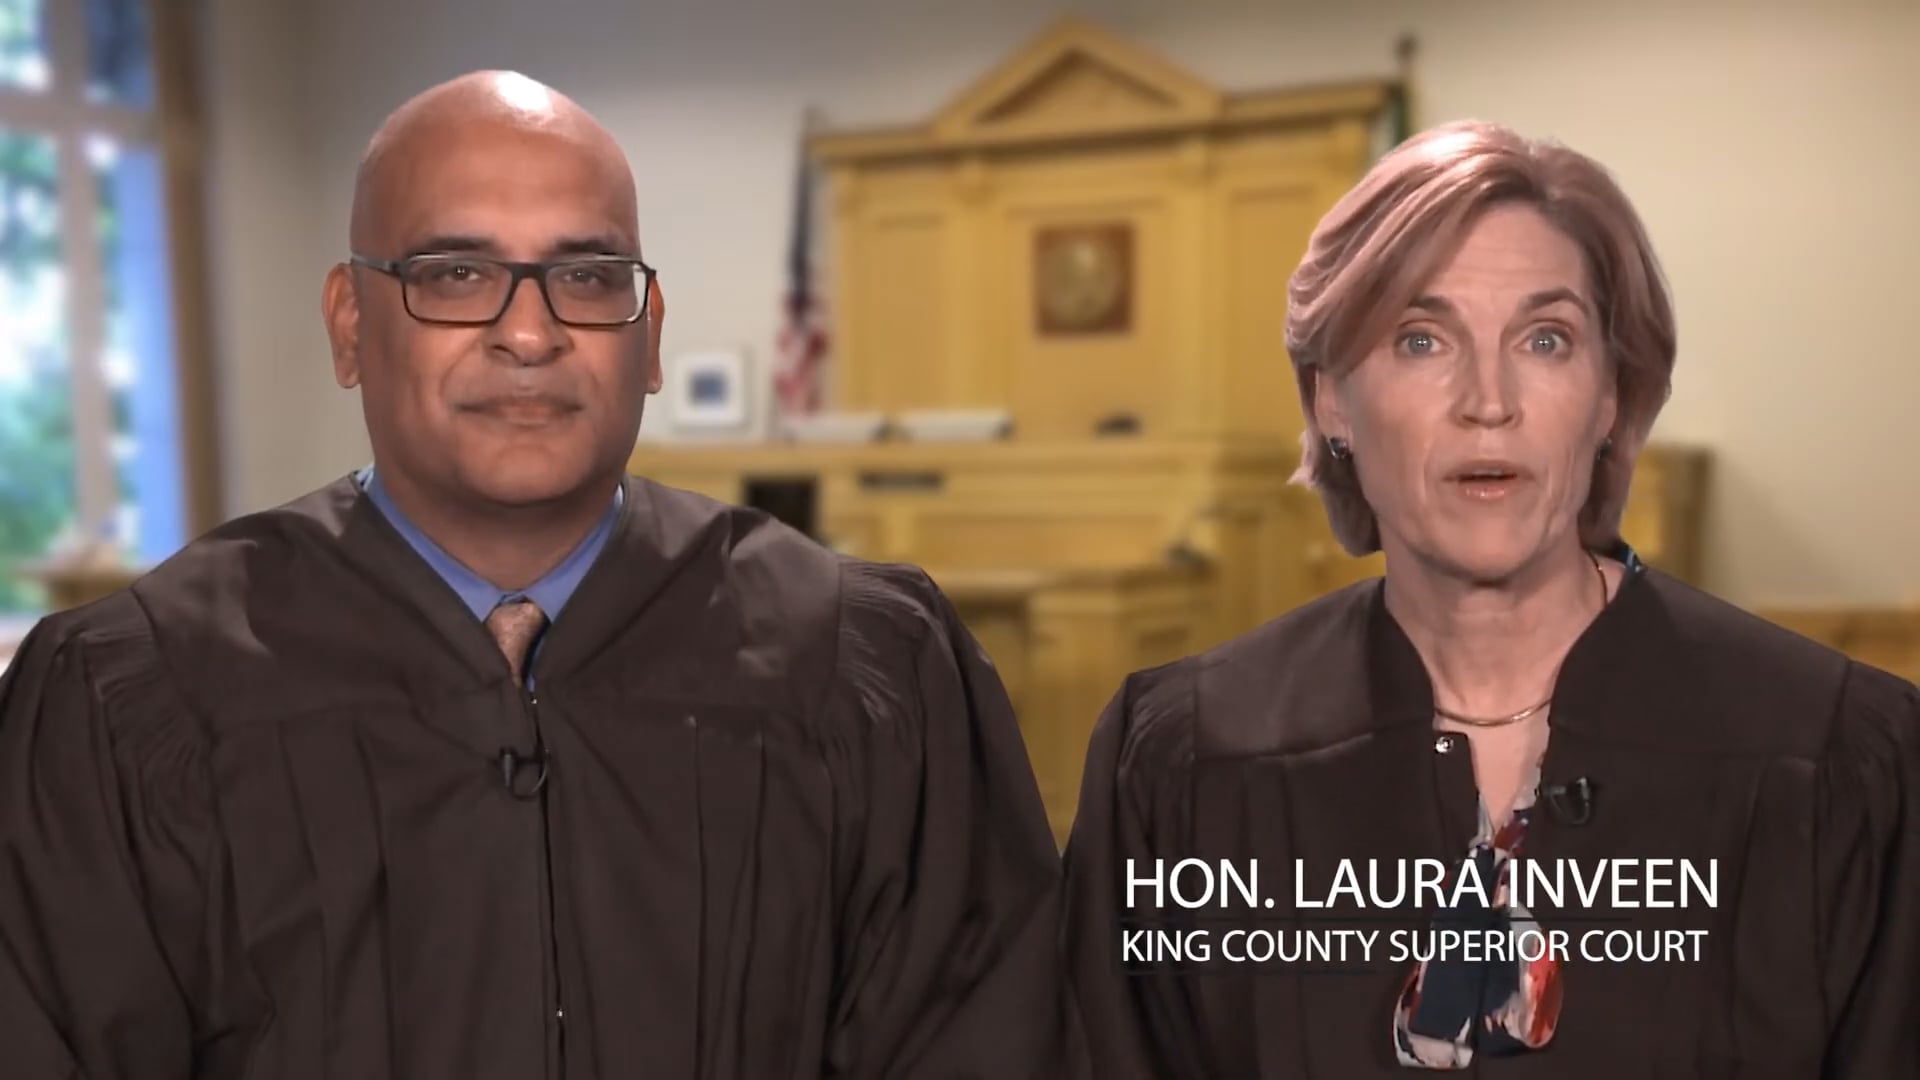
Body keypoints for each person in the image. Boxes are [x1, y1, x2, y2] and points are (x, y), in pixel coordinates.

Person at [0, 71, 1076, 1079]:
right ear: (350, 327)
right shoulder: (138, 697)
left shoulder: (859, 669)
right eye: (455, 274)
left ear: (647, 337)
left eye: (587, 276)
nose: (529, 331)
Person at [1063, 120, 1919, 1077]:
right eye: (1421, 340)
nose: (1489, 400)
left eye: (1545, 339)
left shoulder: (1835, 755)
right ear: (1330, 401)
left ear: (1609, 398)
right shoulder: (1186, 757)